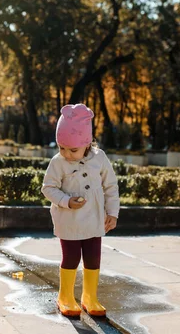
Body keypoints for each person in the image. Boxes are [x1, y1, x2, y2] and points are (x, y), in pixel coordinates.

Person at [41, 103, 119, 317]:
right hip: (69, 220)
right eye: (61, 147)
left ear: (87, 142)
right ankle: (65, 296)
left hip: (94, 218)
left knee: (93, 258)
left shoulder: (100, 158)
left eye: (72, 149)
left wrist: (112, 213)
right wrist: (66, 201)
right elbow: (48, 188)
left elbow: (111, 186)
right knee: (72, 257)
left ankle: (89, 296)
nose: (66, 154)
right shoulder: (58, 163)